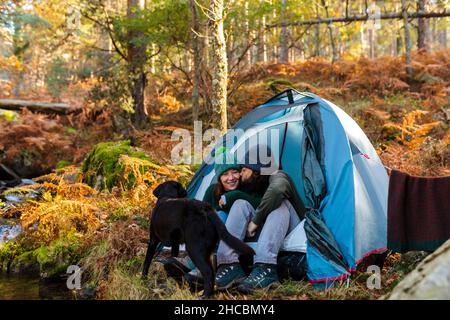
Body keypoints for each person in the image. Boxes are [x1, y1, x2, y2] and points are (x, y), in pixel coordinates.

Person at [214, 145, 307, 293]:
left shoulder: (279, 176)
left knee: (279, 203)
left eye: (244, 169)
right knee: (240, 204)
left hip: (294, 235)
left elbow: (277, 190)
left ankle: (266, 268)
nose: (240, 174)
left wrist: (255, 221)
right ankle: (228, 264)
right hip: (268, 236)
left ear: (256, 170)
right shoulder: (252, 185)